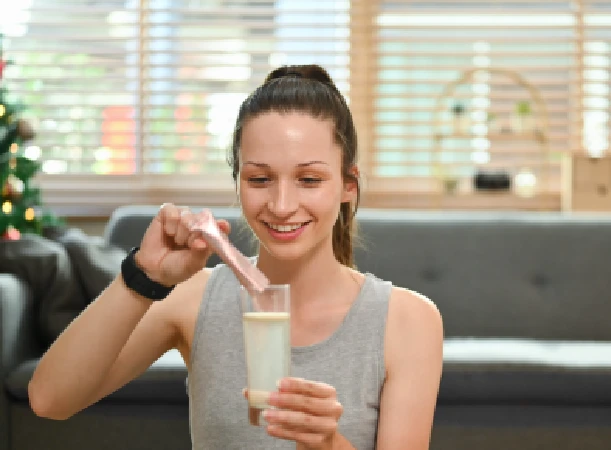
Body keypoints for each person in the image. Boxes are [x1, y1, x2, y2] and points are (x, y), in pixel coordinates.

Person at [28, 64, 444, 450]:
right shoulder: (193, 299)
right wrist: (142, 278)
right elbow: (49, 400)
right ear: (238, 181)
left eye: (309, 179)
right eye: (259, 179)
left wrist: (328, 444)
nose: (281, 205)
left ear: (348, 185)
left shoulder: (408, 321)